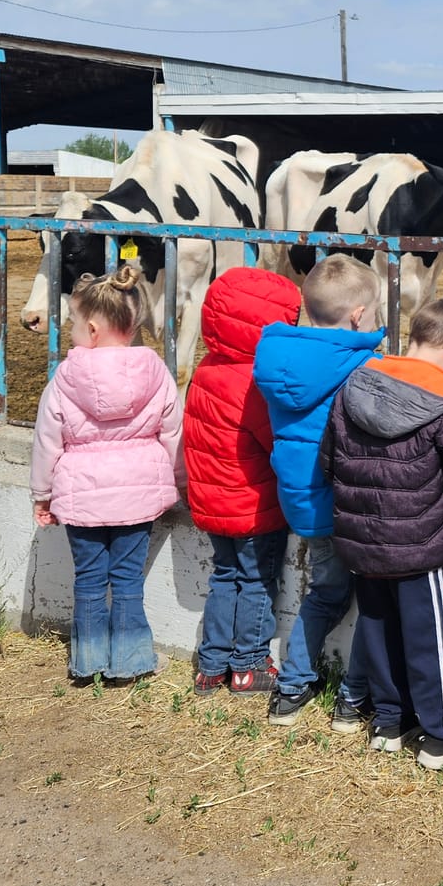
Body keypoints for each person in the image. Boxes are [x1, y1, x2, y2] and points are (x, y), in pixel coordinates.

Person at [324, 297, 443, 770]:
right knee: (433, 637)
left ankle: (389, 722)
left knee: (377, 628)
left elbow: (330, 459)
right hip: (424, 547)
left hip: (361, 541)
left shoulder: (357, 382)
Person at [253, 255, 388, 729]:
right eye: (372, 314)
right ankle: (352, 696)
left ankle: (292, 687)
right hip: (350, 502)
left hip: (301, 501)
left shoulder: (276, 357)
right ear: (357, 316)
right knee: (368, 598)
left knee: (324, 593)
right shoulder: (364, 363)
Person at [29, 265, 181, 684]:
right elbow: (172, 433)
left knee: (91, 579)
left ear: (93, 329)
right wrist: (172, 481)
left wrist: (42, 492)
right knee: (128, 579)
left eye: (75, 323)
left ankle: (89, 660)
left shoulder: (63, 378)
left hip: (81, 497)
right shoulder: (158, 374)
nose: (72, 332)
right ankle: (130, 660)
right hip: (138, 497)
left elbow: (47, 440)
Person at [185, 266, 302, 695]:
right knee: (255, 580)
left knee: (223, 576)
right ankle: (250, 663)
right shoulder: (255, 382)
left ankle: (212, 664)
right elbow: (275, 440)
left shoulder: (206, 369)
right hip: (253, 507)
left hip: (213, 504)